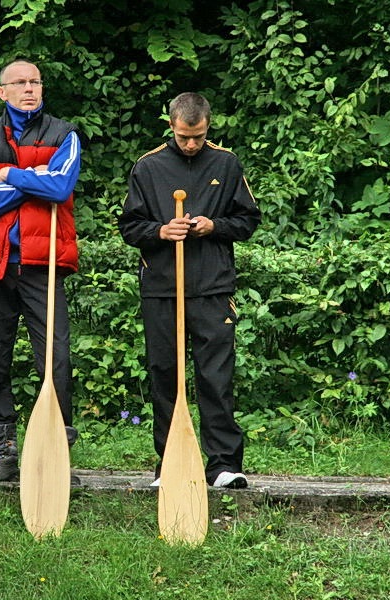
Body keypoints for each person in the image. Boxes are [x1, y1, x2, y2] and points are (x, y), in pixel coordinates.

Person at [118, 92, 261, 489]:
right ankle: (170, 464)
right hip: (162, 288)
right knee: (164, 375)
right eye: (184, 137)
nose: (192, 144)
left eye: (198, 136)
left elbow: (247, 220)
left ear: (207, 127)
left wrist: (213, 225)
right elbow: (129, 226)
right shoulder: (147, 167)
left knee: (216, 376)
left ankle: (224, 466)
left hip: (213, 287)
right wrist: (161, 231)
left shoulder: (226, 163)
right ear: (171, 127)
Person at [0, 59, 82, 482]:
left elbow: (61, 188)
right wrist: (35, 178)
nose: (29, 89)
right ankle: (4, 451)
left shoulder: (65, 134)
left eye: (35, 82)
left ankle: (54, 449)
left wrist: (13, 174)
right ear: (1, 92)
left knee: (55, 359)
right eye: (19, 83)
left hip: (42, 264)